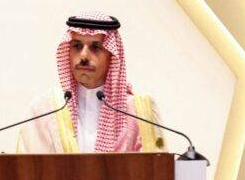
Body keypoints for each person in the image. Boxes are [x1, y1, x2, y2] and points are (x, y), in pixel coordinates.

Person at [16, 12, 166, 153]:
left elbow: (158, 167)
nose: (84, 55)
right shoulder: (43, 111)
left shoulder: (140, 112)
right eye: (77, 46)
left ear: (112, 56)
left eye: (95, 47)